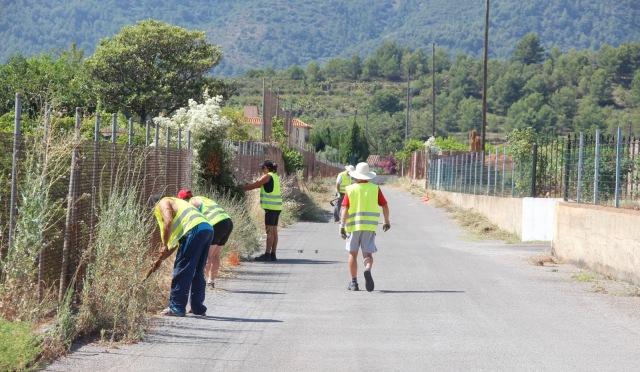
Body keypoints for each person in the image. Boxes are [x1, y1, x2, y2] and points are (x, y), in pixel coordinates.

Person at [150, 195, 214, 317]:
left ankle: (176, 307)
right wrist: (160, 260)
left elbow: (167, 222)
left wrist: (163, 244)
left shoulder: (163, 202)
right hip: (207, 229)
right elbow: (173, 244)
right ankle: (197, 308)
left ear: (155, 204)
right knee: (197, 271)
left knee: (182, 269)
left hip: (195, 230)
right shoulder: (180, 207)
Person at [340, 162, 391, 292]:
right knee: (367, 253)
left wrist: (341, 225)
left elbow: (345, 209)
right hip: (369, 227)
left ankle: (354, 283)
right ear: (368, 176)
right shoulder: (375, 188)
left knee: (353, 254)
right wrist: (386, 221)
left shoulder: (350, 189)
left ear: (356, 175)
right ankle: (367, 268)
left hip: (353, 227)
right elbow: (384, 205)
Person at [177, 189, 234, 289]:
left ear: (183, 200)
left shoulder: (191, 202)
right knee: (216, 255)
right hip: (227, 222)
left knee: (207, 256)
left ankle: (202, 282)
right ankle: (211, 281)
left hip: (216, 223)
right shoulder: (202, 198)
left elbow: (194, 220)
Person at [243, 160, 282, 262]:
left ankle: (267, 255)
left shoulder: (267, 176)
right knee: (274, 231)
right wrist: (249, 184)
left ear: (266, 168)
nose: (262, 170)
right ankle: (273, 254)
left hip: (270, 208)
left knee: (269, 232)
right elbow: (260, 185)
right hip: (277, 208)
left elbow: (256, 185)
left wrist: (241, 188)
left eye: (262, 168)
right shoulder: (275, 176)